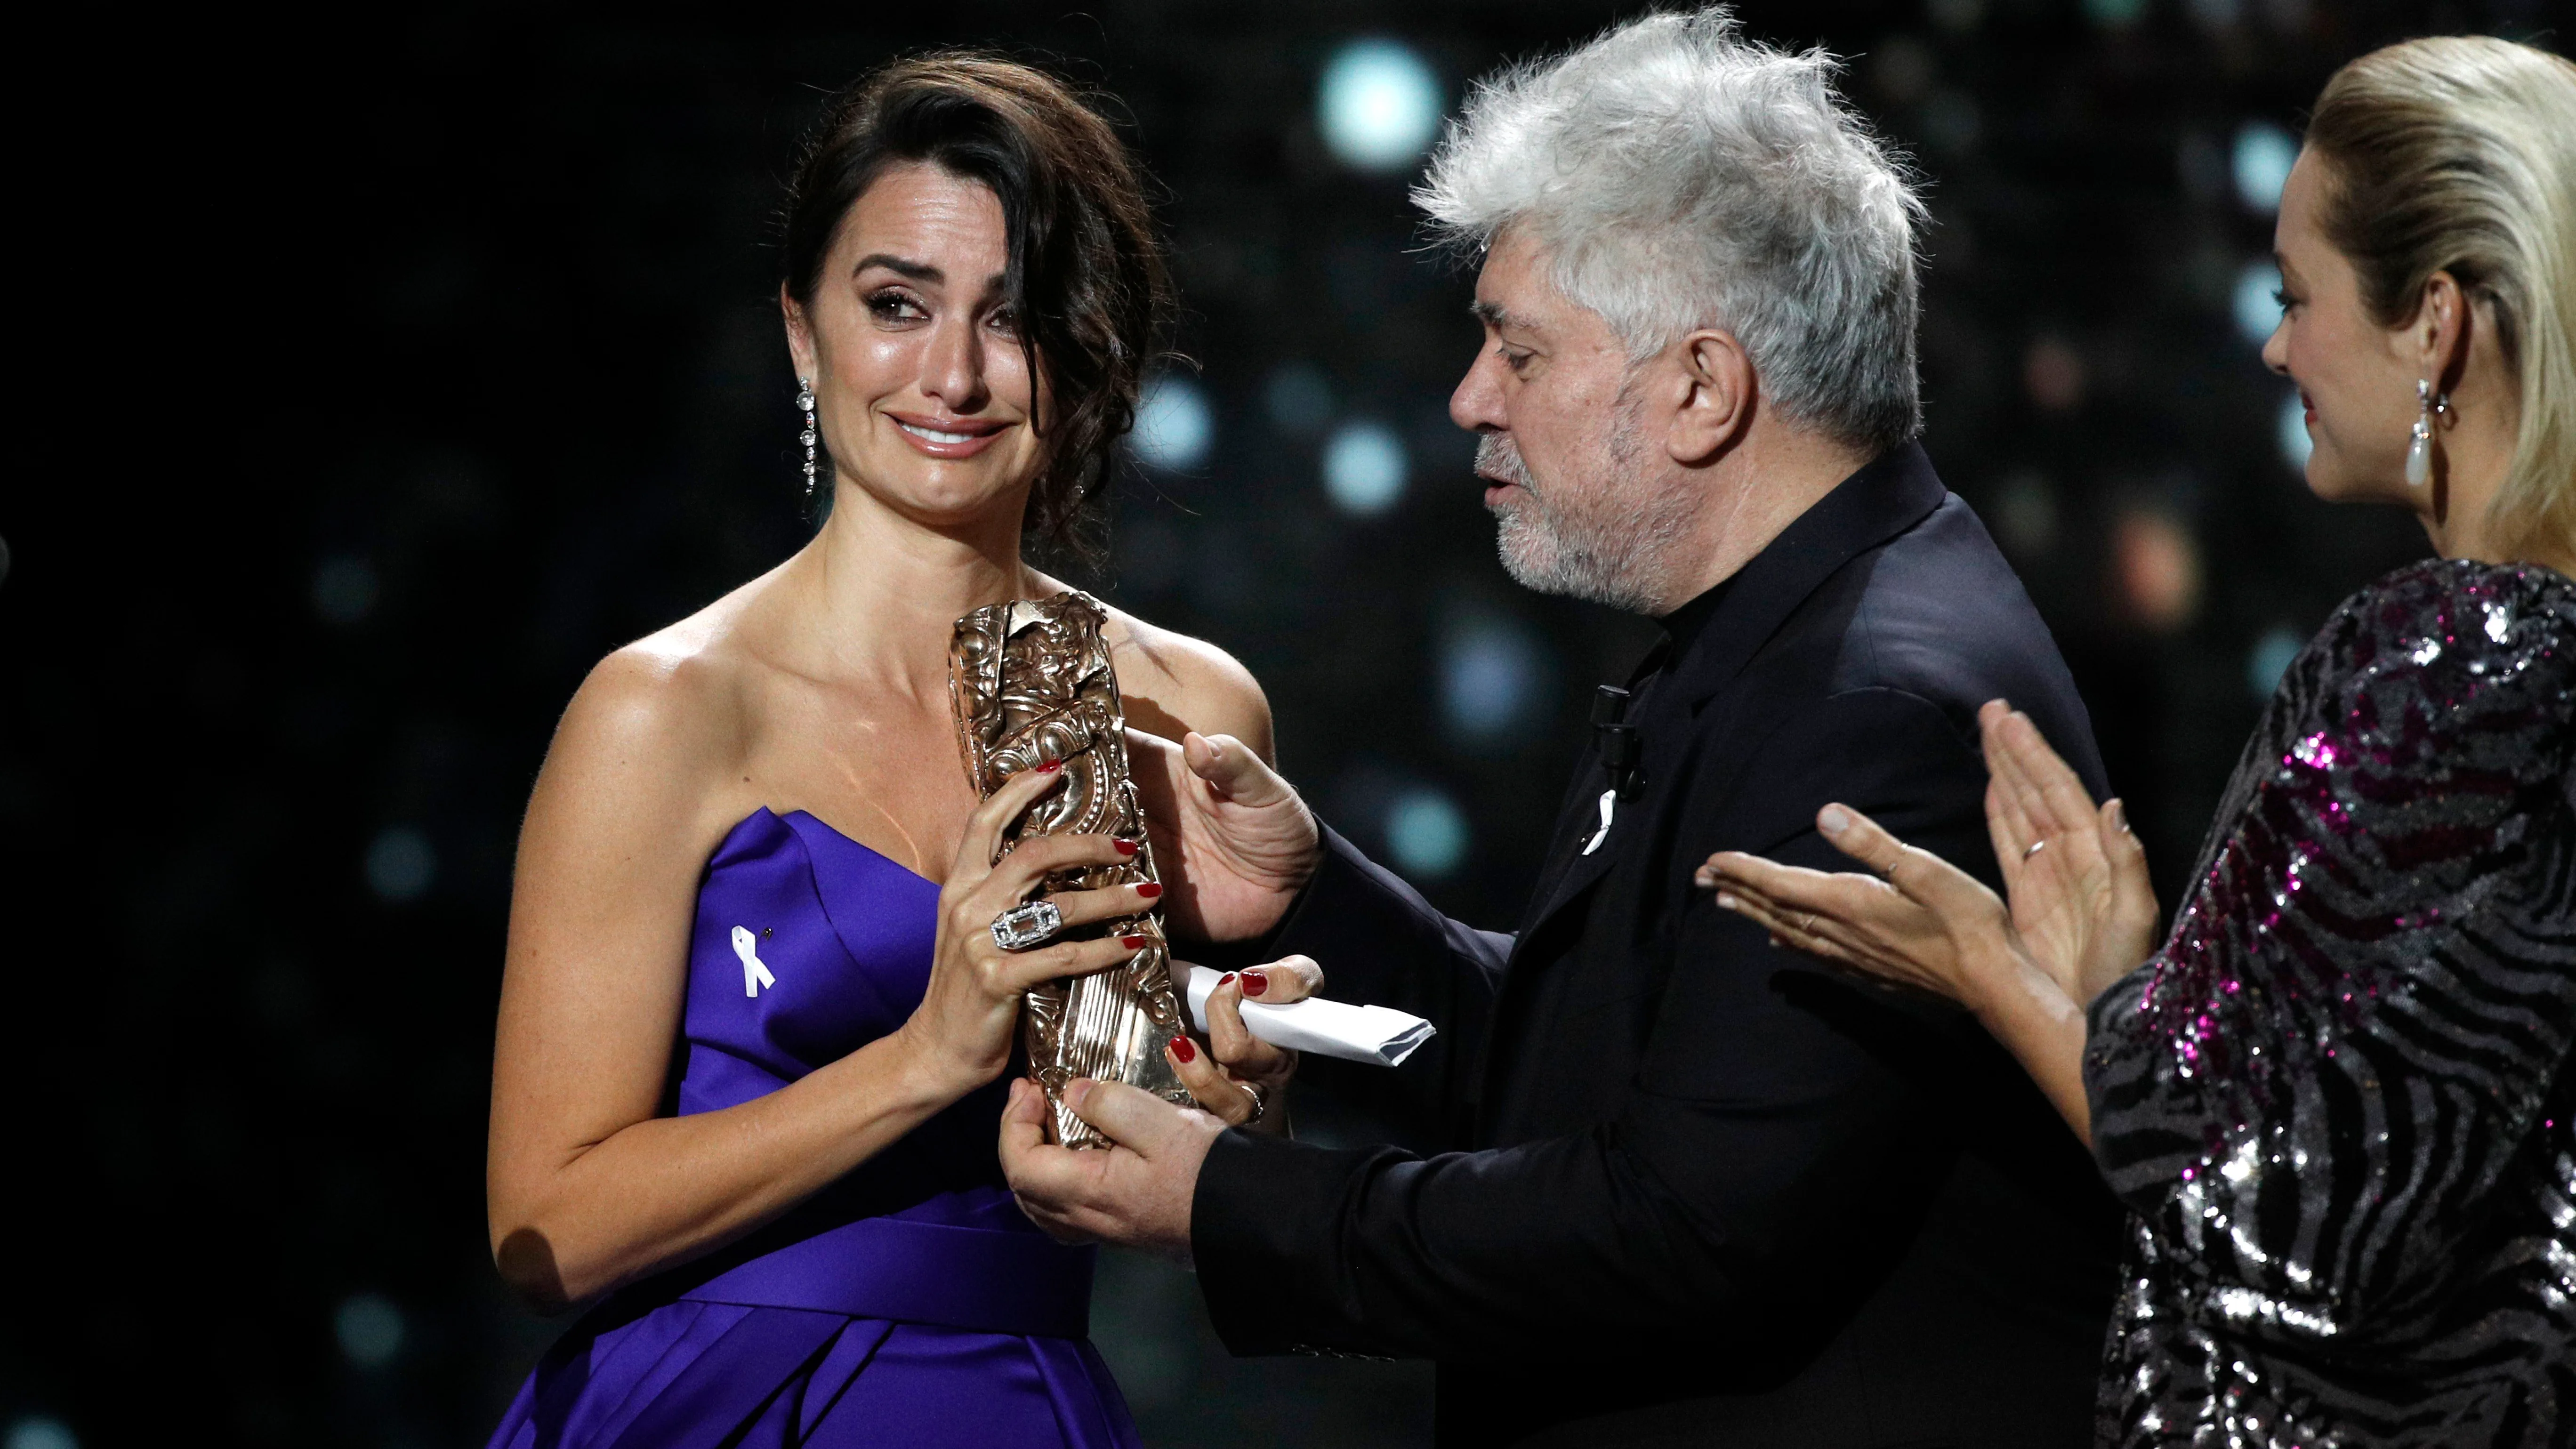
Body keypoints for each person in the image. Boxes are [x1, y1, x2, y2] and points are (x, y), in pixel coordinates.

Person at [1000, 11, 2125, 1445]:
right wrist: (1311, 894)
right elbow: (1612, 1075)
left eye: (1518, 352)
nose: (1472, 398)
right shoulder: (1793, 632)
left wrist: (1226, 1201)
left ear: (1701, 390)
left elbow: (1680, 1230)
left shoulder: (1872, 706)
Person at [1698, 35, 2576, 1447]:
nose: (2278, 342)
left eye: (2298, 296)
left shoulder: (2451, 656)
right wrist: (2123, 990)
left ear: (2436, 320)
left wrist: (1989, 970)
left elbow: (2267, 1206)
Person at [481, 55, 1295, 1449]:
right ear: (805, 336)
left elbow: (1134, 1168)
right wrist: (926, 1055)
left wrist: (1238, 1092)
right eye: (897, 306)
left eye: (1014, 317)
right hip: (708, 1409)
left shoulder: (1179, 703)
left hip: (1014, 1403)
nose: (956, 375)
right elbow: (544, 1225)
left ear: (1081, 348)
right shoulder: (667, 707)